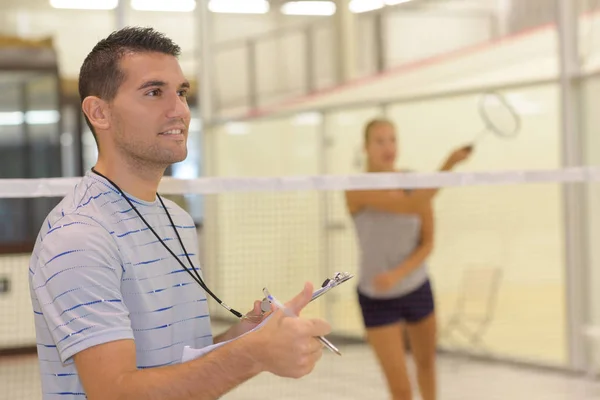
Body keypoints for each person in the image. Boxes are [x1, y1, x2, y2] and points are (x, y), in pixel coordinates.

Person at [28, 27, 330, 400]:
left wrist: (247, 335)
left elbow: (177, 364)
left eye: (182, 93)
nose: (180, 110)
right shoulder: (78, 237)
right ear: (99, 112)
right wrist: (252, 355)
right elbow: (115, 392)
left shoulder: (177, 220)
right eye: (155, 92)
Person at [345, 118, 472, 400]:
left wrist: (398, 274)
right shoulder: (355, 187)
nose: (388, 147)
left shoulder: (414, 182)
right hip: (376, 296)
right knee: (401, 389)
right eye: (379, 141)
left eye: (392, 139)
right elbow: (410, 206)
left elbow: (427, 244)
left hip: (416, 288)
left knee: (427, 367)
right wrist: (448, 164)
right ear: (366, 147)